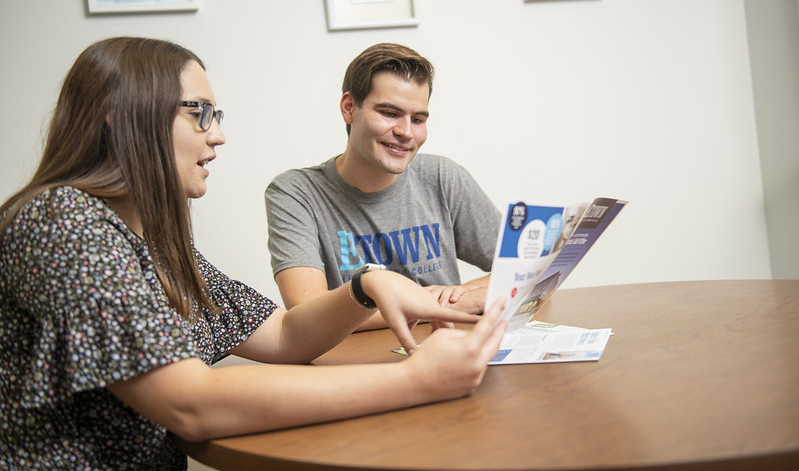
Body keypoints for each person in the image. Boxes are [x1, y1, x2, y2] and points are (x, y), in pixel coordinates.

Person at [0, 37, 507, 469]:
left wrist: (364, 284)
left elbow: (285, 335)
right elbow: (190, 403)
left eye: (214, 116)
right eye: (199, 114)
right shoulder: (62, 221)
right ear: (122, 117)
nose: (217, 135)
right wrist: (414, 380)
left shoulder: (155, 244)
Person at [265, 43, 501, 331]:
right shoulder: (295, 193)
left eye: (417, 119)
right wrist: (446, 305)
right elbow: (307, 313)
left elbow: (530, 269)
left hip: (445, 348)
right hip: (358, 366)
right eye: (389, 113)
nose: (405, 132)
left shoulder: (441, 176)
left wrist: (458, 295)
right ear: (350, 108)